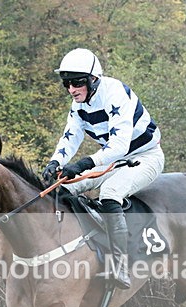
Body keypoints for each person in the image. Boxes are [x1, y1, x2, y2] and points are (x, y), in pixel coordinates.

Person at [42, 48, 164, 289]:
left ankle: (121, 264)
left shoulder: (116, 93)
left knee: (110, 192)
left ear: (93, 79)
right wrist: (55, 162)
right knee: (63, 188)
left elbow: (119, 145)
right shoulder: (78, 104)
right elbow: (70, 137)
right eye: (66, 83)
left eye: (77, 83)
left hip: (145, 156)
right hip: (113, 161)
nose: (71, 89)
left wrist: (82, 164)